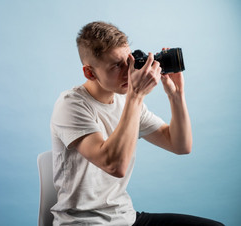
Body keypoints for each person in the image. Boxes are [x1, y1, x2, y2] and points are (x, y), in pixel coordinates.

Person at [50, 21, 224, 226]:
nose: (128, 71)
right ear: (90, 73)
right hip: (85, 222)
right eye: (116, 65)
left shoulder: (127, 100)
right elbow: (115, 166)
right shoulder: (71, 105)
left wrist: (176, 96)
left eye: (129, 60)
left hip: (125, 217)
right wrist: (136, 95)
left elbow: (180, 145)